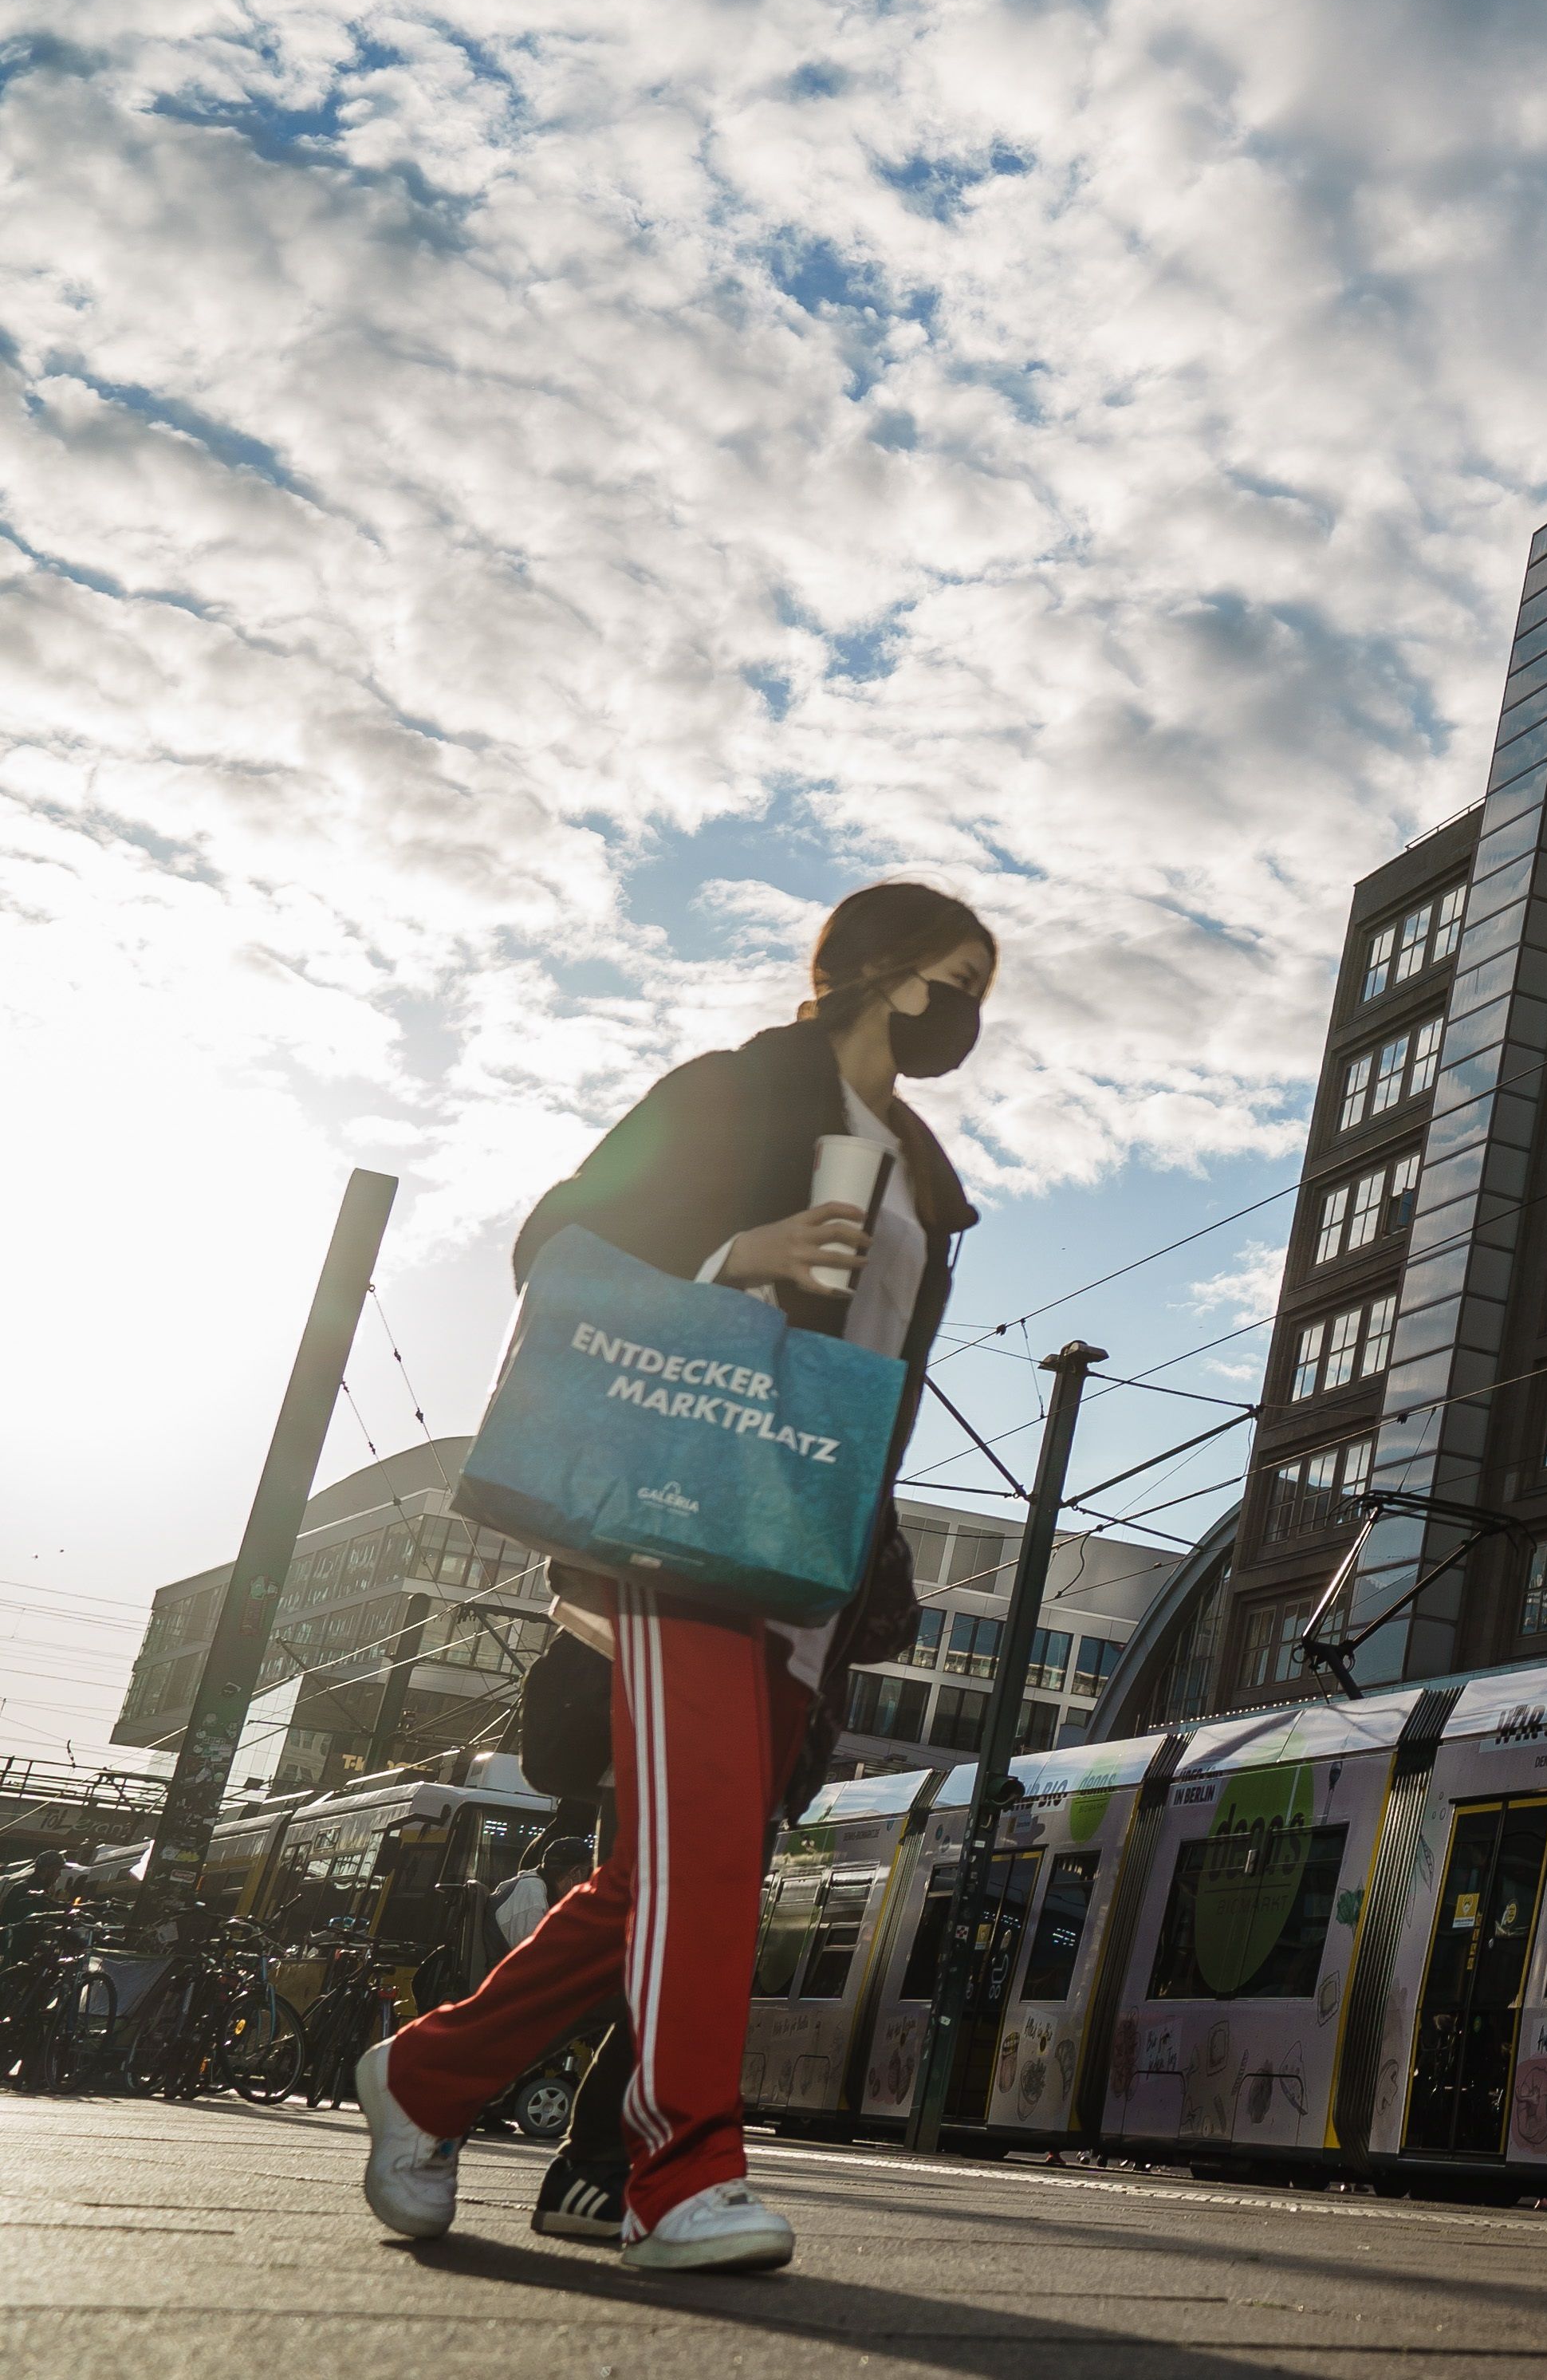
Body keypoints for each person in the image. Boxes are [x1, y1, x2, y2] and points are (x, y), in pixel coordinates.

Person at [359, 884, 992, 2274]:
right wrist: (733, 1254)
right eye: (953, 981)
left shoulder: (921, 1177)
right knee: (696, 1847)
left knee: (668, 1870)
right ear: (878, 975)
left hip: (800, 1541)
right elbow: (559, 1241)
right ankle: (678, 2171)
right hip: (675, 1512)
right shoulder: (735, 1091)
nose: (968, 1017)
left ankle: (429, 2078)